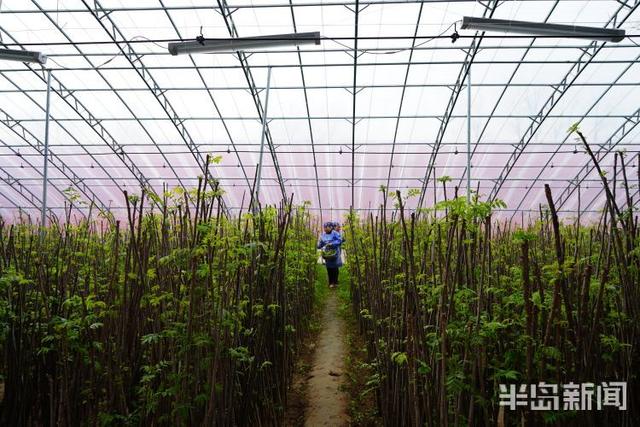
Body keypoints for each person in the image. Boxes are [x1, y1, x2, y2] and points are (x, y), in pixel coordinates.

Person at [317, 221, 343, 288]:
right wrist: (318, 245)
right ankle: (331, 282)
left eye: (326, 227)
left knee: (335, 268)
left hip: (335, 253)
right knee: (329, 268)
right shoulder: (323, 235)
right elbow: (321, 244)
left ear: (331, 227)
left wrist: (332, 243)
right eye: (324, 227)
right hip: (327, 254)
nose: (325, 229)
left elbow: (339, 241)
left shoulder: (335, 233)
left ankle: (335, 282)